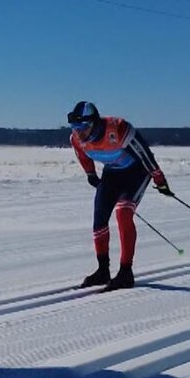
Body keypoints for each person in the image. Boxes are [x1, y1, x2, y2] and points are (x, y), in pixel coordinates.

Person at [69, 101, 173, 291]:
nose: (79, 134)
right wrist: (90, 174)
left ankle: (126, 272)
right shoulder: (76, 139)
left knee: (123, 213)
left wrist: (160, 181)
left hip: (137, 172)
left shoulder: (118, 129)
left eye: (82, 128)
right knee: (99, 216)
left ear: (93, 124)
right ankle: (103, 270)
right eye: (75, 128)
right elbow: (82, 155)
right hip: (113, 173)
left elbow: (145, 156)